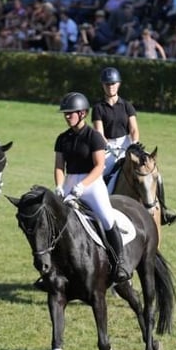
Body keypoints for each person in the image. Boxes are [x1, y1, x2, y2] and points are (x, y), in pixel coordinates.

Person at [54, 91, 130, 285]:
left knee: (106, 218)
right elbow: (59, 166)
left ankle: (119, 263)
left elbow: (99, 166)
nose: (67, 116)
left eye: (71, 112)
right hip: (70, 181)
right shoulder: (62, 139)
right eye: (66, 113)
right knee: (56, 222)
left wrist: (83, 185)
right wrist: (59, 186)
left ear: (83, 114)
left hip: (92, 183)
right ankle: (54, 268)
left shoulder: (94, 137)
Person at [91, 67, 176, 226]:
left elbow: (134, 129)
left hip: (128, 144)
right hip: (108, 147)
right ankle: (100, 210)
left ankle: (164, 211)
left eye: (113, 83)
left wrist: (133, 145)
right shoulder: (98, 108)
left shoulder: (127, 106)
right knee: (100, 176)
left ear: (118, 85)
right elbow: (99, 132)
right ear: (103, 86)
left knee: (153, 172)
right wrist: (109, 146)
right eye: (107, 84)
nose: (110, 86)